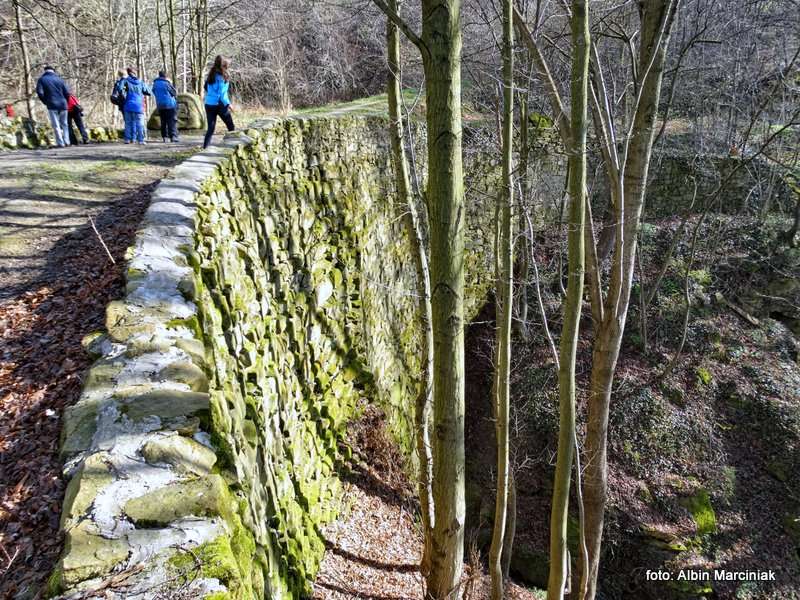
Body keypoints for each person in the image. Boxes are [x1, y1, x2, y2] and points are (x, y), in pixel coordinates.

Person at [203, 55, 235, 149]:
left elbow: (206, 87)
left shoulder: (211, 74)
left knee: (211, 129)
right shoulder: (222, 77)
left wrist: (212, 96)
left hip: (209, 104)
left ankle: (205, 148)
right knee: (231, 126)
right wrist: (228, 104)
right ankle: (231, 147)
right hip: (219, 104)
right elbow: (222, 94)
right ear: (224, 65)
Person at [35, 66, 70, 148]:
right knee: (65, 124)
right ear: (53, 71)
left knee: (56, 125)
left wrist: (45, 101)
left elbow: (40, 93)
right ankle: (67, 141)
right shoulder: (60, 79)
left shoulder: (42, 79)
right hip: (63, 104)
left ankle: (60, 143)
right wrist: (66, 102)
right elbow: (67, 93)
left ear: (45, 71)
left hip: (52, 104)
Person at [121, 67, 152, 145]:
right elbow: (148, 91)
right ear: (135, 73)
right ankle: (141, 140)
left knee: (128, 123)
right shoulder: (140, 82)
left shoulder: (125, 81)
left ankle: (128, 139)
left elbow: (120, 89)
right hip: (138, 106)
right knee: (140, 124)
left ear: (128, 73)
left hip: (128, 105)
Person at [152, 70, 179, 142]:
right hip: (169, 105)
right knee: (171, 121)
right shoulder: (166, 83)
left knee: (163, 121)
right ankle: (173, 136)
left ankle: (164, 137)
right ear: (165, 76)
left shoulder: (155, 84)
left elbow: (153, 91)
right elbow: (174, 92)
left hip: (160, 105)